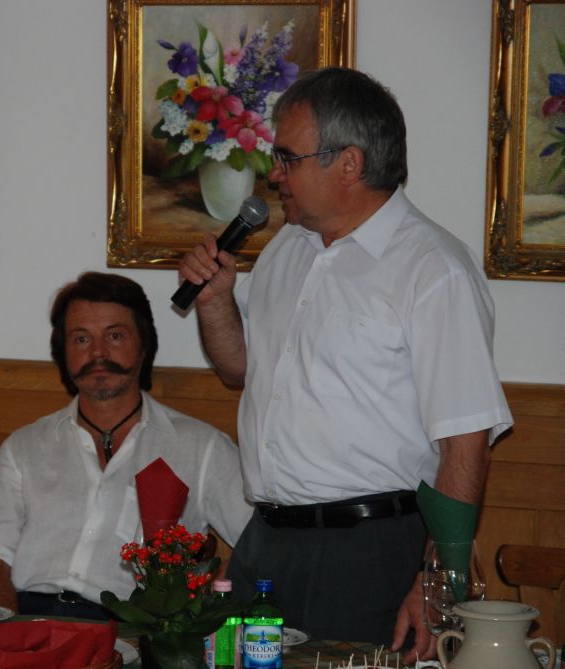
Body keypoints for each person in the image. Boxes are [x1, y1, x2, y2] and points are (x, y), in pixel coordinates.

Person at [177, 67, 513, 662]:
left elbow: (466, 441)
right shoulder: (287, 248)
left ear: (350, 164)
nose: (274, 174)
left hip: (370, 550)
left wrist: (439, 581)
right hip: (266, 540)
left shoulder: (432, 268)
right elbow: (238, 369)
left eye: (288, 158)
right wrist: (215, 303)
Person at [0, 271, 253, 619]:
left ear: (143, 346)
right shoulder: (23, 447)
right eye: (81, 338)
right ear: (63, 351)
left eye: (115, 335)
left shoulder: (201, 448)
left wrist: (207, 606)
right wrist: (3, 632)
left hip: (129, 628)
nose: (98, 352)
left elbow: (259, 544)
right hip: (28, 617)